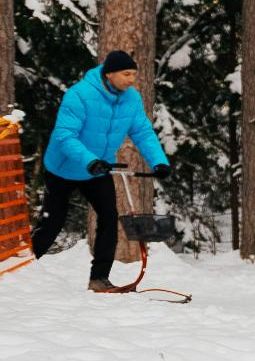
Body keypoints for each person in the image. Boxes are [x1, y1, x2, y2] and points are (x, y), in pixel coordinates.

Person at [31, 51, 171, 290]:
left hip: (98, 169)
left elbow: (142, 132)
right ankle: (22, 267)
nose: (131, 80)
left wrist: (159, 161)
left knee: (108, 217)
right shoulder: (80, 95)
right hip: (63, 168)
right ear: (109, 74)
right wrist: (90, 160)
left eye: (134, 75)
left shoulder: (132, 99)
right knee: (52, 222)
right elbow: (65, 135)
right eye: (126, 74)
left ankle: (99, 278)